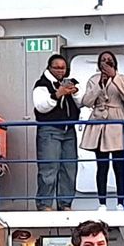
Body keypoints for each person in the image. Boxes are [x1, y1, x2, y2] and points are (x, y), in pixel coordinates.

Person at [78, 51, 124, 209]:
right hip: (99, 122)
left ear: (115, 62)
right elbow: (87, 101)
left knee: (119, 165)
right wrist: (99, 86)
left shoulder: (123, 78)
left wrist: (114, 77)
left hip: (117, 121)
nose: (106, 63)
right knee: (102, 165)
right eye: (103, 60)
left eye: (109, 60)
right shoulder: (93, 79)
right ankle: (101, 202)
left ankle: (121, 202)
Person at [32, 54, 81, 211]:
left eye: (63, 67)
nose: (60, 70)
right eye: (57, 67)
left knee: (69, 168)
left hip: (69, 131)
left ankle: (65, 204)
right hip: (49, 130)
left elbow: (82, 103)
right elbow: (41, 106)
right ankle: (44, 204)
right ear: (49, 68)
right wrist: (57, 94)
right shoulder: (41, 85)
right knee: (49, 168)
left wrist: (75, 92)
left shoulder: (70, 83)